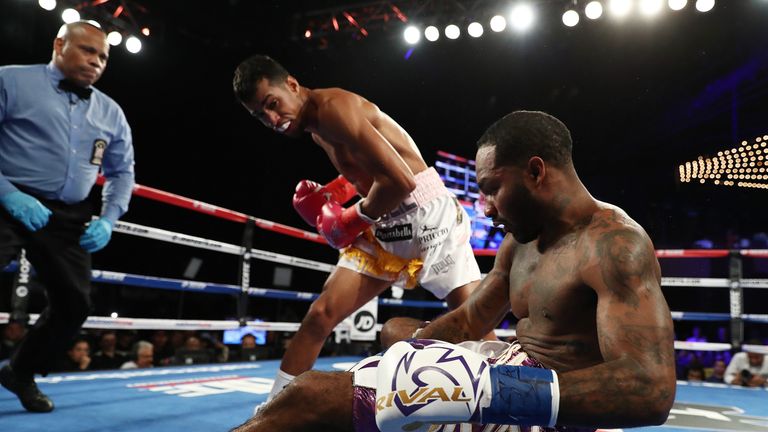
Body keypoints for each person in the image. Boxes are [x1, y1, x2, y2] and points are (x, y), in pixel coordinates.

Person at [232, 111, 676, 432]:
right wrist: (411, 360)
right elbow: (467, 320)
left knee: (311, 396)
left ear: (536, 171)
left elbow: (650, 390)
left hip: (547, 410)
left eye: (492, 189)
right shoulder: (519, 242)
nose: (484, 207)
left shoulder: (615, 245)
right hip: (506, 366)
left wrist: (486, 390)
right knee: (394, 335)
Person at [232, 55, 488, 407]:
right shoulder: (316, 127)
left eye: (272, 104)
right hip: (385, 221)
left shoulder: (334, 109)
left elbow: (400, 180)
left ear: (292, 84)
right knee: (320, 315)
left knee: (474, 323)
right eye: (260, 115)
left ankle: (524, 405)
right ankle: (277, 409)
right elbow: (363, 172)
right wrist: (332, 195)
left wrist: (349, 220)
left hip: (427, 215)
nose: (272, 120)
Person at [0, 21, 135, 412]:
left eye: (104, 57)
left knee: (75, 304)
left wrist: (109, 217)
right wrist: (8, 194)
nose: (96, 62)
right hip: (5, 196)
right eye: (88, 51)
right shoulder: (11, 81)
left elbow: (123, 172)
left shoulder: (111, 111)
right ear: (59, 44)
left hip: (68, 214)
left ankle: (20, 371)